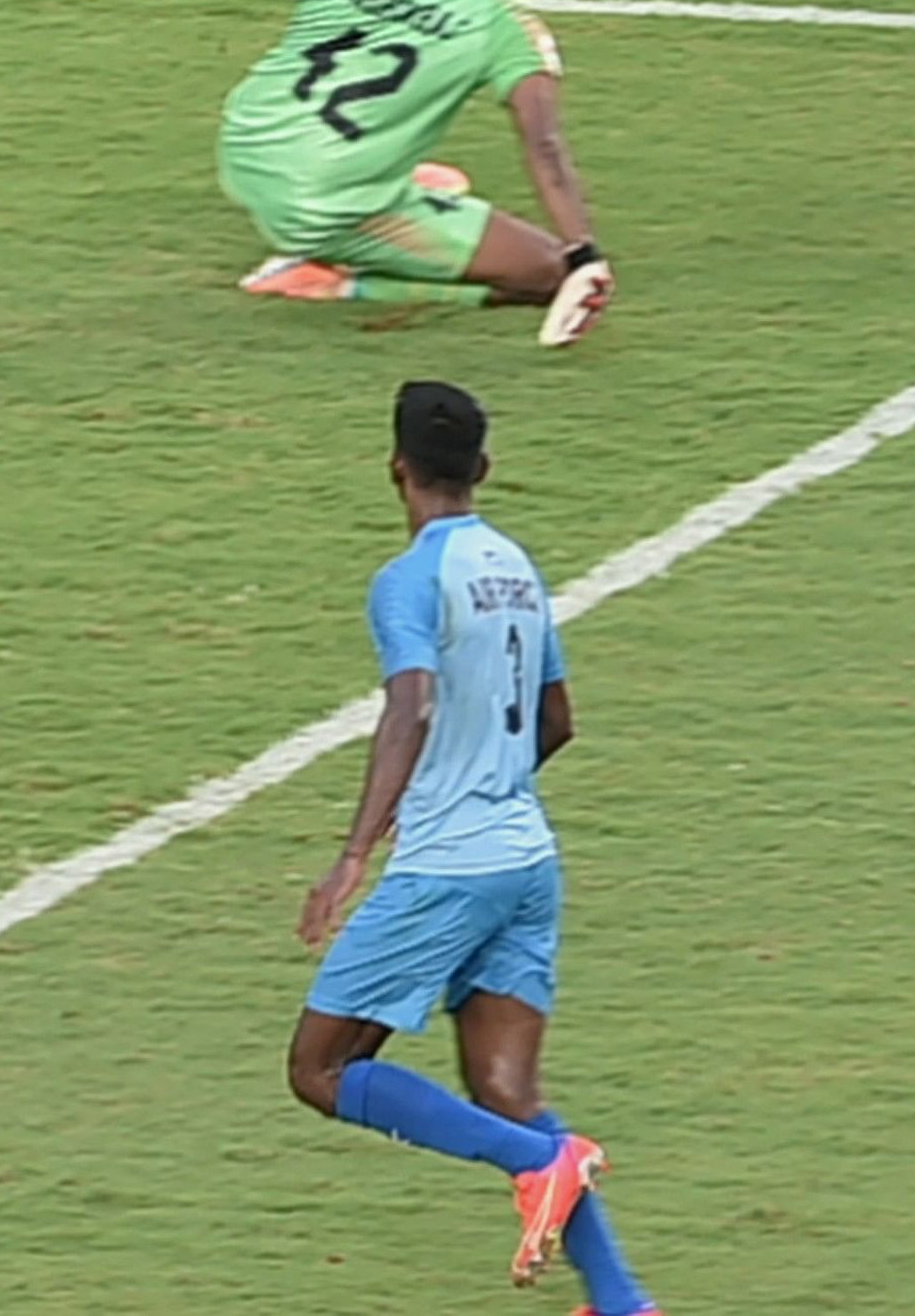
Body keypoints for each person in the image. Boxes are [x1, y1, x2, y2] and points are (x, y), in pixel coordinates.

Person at [283, 382, 658, 1315]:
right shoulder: (516, 566)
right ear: (482, 470)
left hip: (449, 867)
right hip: (526, 861)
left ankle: (541, 1164)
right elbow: (558, 719)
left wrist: (354, 851)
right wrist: (490, 774)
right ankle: (621, 1302)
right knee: (505, 1085)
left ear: (395, 470)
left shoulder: (408, 579)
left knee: (319, 1069)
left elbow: (408, 703)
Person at [73, 0, 611, 342]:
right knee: (547, 272)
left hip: (250, 145)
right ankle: (336, 280)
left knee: (419, 180)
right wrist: (582, 253)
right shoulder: (507, 25)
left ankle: (383, 197)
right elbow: (543, 143)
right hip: (324, 205)